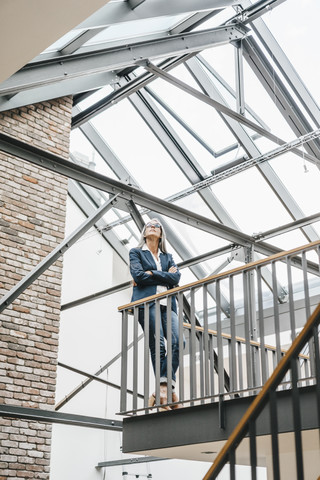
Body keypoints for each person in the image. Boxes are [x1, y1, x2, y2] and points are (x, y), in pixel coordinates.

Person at [129, 218, 182, 410]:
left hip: (168, 304)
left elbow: (176, 277)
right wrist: (161, 275)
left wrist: (151, 273)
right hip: (147, 303)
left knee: (178, 342)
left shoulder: (167, 256)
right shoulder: (136, 252)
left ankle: (164, 386)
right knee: (158, 345)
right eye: (149, 225)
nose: (152, 226)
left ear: (161, 234)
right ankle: (165, 391)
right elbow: (138, 276)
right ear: (144, 233)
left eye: (156, 226)